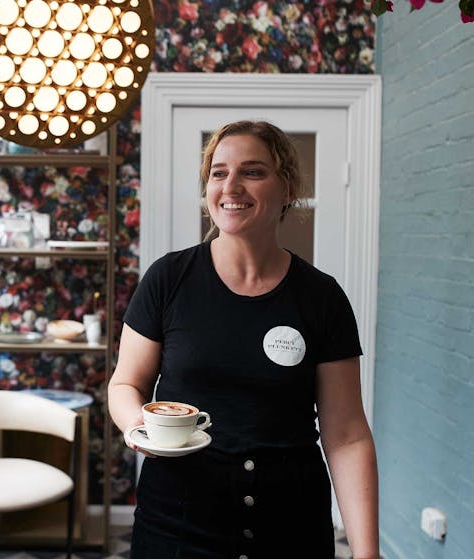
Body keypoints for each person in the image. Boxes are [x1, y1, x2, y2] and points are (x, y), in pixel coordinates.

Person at [108, 121, 379, 558]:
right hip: (178, 522)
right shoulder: (168, 279)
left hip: (292, 527)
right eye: (218, 172)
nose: (230, 185)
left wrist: (367, 553)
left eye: (252, 171)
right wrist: (139, 429)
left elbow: (346, 435)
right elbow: (126, 385)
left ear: (287, 188)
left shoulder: (322, 298)